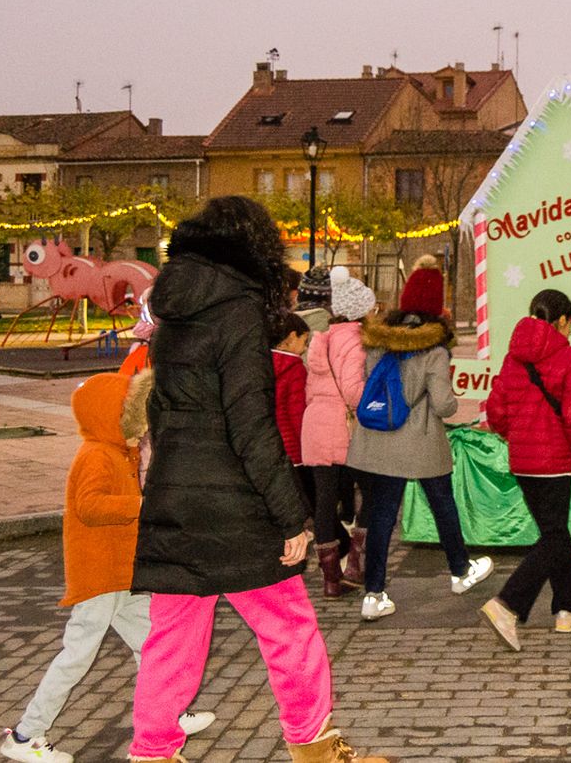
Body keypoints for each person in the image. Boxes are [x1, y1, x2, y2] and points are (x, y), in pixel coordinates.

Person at [128, 196, 377, 763]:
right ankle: (315, 746)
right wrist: (292, 513)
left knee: (173, 635)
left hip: (176, 492)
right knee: (288, 626)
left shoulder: (174, 314)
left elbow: (162, 413)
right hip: (234, 500)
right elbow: (250, 420)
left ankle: (152, 752)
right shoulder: (236, 310)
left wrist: (163, 486)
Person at [0, 371, 214, 763]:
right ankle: (27, 733)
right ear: (115, 417)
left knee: (152, 645)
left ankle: (167, 714)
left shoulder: (119, 451)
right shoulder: (97, 454)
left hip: (120, 574)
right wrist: (144, 507)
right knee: (77, 655)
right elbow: (91, 506)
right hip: (100, 576)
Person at [347, 265, 492, 621]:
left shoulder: (380, 340)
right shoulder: (434, 349)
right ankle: (460, 572)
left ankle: (374, 594)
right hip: (420, 444)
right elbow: (443, 403)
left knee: (382, 514)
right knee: (443, 504)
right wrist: (455, 402)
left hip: (378, 440)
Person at [479, 289, 571, 651]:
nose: (570, 329)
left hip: (524, 461)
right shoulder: (570, 357)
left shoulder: (513, 359)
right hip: (556, 460)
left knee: (553, 533)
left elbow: (495, 411)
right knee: (555, 536)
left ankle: (568, 607)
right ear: (561, 320)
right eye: (570, 322)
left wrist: (515, 435)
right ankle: (508, 603)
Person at [302, 266, 376, 598]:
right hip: (342, 426)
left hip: (315, 423)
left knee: (324, 501)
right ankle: (356, 565)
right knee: (371, 492)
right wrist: (374, 408)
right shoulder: (355, 341)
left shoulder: (321, 338)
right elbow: (352, 389)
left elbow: (309, 386)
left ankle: (331, 578)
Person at [272, 309, 312, 505]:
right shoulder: (295, 368)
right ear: (291, 336)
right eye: (304, 341)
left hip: (269, 439)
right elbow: (297, 412)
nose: (305, 349)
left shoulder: (262, 362)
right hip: (292, 445)